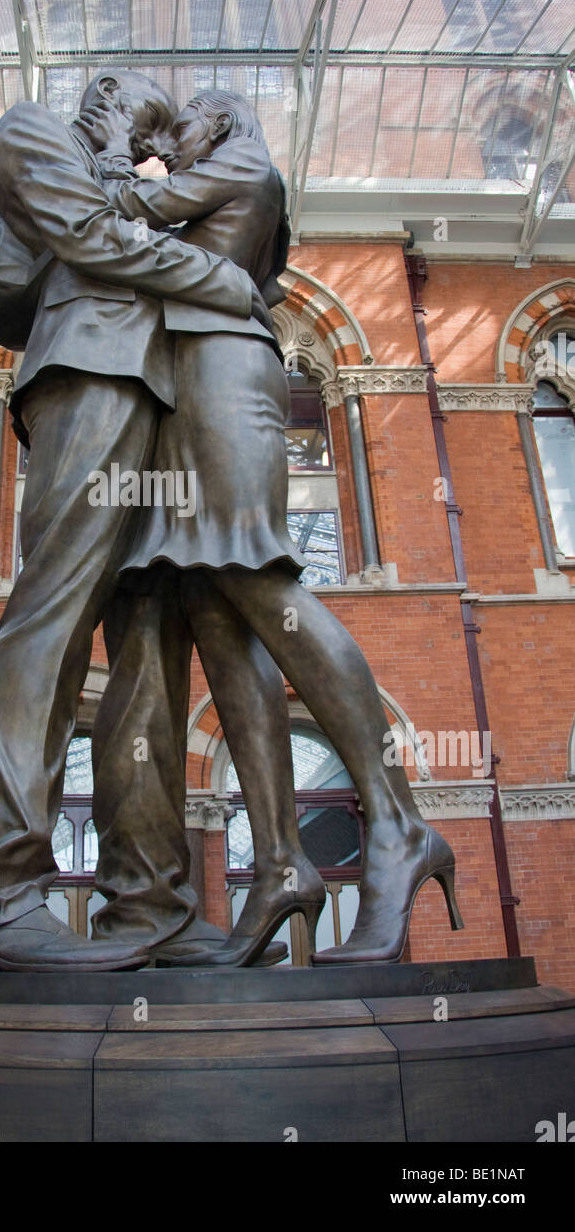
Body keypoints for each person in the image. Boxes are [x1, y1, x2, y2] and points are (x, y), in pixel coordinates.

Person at [86, 91, 464, 966]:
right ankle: (282, 864)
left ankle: (399, 825)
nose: (165, 143)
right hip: (186, 388)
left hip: (223, 377)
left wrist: (114, 151)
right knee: (220, 617)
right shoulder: (216, 171)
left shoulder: (242, 162)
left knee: (260, 580)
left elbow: (125, 214)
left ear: (217, 123)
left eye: (178, 128)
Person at [0, 71, 263, 971]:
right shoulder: (35, 132)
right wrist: (220, 280)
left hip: (166, 405)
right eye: (145, 120)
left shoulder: (139, 186)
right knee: (51, 617)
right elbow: (68, 249)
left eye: (163, 132)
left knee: (153, 650)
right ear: (107, 95)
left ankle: (147, 905)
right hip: (87, 379)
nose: (153, 143)